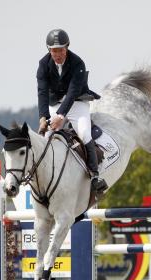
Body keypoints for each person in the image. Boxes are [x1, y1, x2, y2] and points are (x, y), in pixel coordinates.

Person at [37, 29, 107, 193]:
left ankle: (94, 176)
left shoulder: (77, 63)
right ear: (49, 50)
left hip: (77, 102)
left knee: (84, 133)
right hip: (55, 103)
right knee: (47, 137)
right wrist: (43, 117)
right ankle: (44, 177)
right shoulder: (43, 64)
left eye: (60, 50)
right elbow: (42, 91)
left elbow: (73, 92)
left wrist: (60, 116)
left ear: (66, 48)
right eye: (54, 50)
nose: (57, 54)